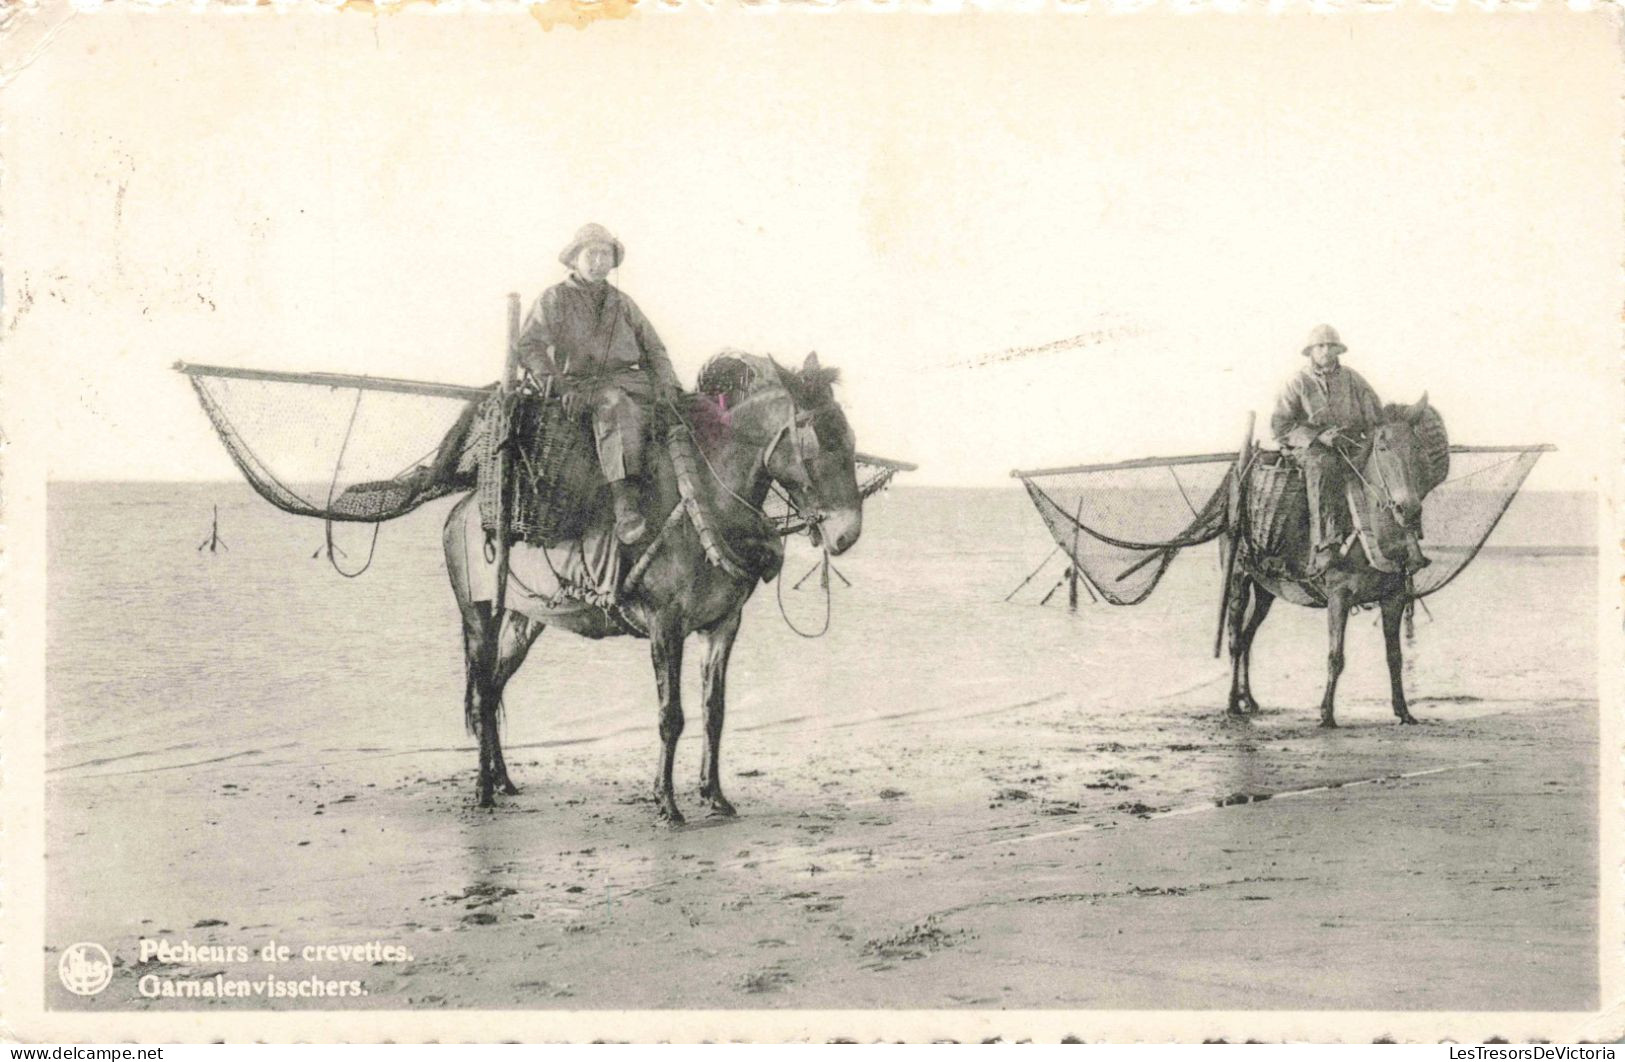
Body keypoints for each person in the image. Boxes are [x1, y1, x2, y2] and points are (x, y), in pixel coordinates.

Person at [515, 224, 682, 545]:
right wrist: (560, 386)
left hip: (631, 381)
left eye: (605, 254)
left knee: (687, 409)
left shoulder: (623, 303)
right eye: (591, 254)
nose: (599, 261)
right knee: (615, 405)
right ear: (574, 260)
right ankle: (625, 503)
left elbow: (654, 349)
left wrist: (667, 385)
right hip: (583, 385)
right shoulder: (555, 299)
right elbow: (529, 346)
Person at [1270, 324, 1385, 576]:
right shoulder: (1297, 382)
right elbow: (1281, 425)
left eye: (1330, 346)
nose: (1325, 350)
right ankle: (1326, 543)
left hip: (1349, 442)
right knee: (1324, 465)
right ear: (1310, 350)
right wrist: (1318, 436)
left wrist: (1363, 435)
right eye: (1320, 346)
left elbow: (1373, 413)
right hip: (1310, 449)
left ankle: (1392, 538)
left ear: (1338, 350)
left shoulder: (1353, 379)